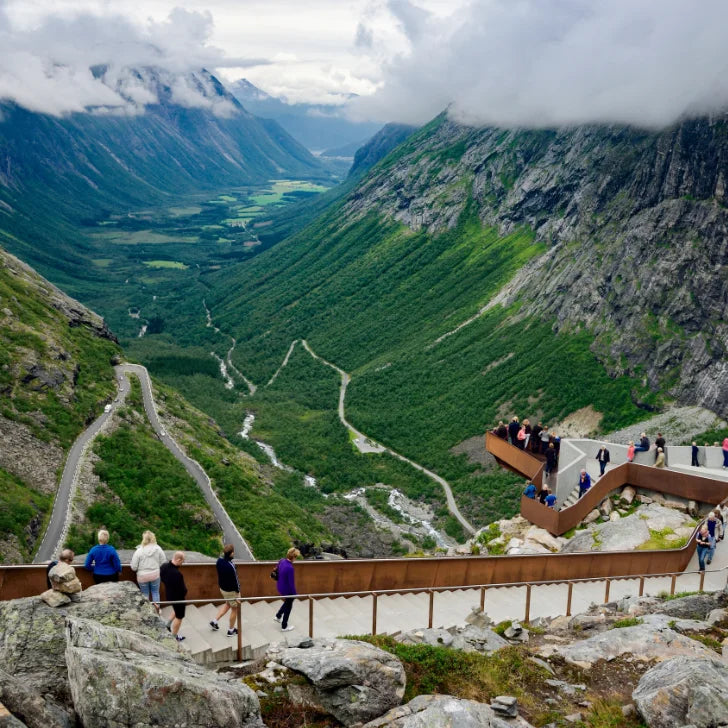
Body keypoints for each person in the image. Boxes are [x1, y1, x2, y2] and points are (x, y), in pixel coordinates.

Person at [130, 530, 166, 612]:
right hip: (155, 575)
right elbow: (163, 562)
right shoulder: (158, 549)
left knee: (145, 594)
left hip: (142, 576)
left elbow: (134, 567)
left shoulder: (139, 551)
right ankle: (157, 611)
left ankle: (147, 612)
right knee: (155, 592)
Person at [210, 544, 240, 637]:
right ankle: (231, 630)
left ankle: (214, 621)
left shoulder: (219, 561)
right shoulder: (231, 566)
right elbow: (236, 580)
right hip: (230, 591)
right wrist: (238, 593)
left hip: (222, 588)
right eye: (233, 552)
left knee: (227, 604)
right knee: (235, 609)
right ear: (231, 554)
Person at [160, 551, 187, 641]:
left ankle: (167, 624)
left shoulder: (163, 566)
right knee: (179, 617)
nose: (182, 563)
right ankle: (174, 636)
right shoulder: (177, 574)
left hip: (169, 594)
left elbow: (162, 578)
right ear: (178, 560)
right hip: (178, 598)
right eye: (182, 561)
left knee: (176, 609)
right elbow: (183, 590)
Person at [274, 547, 300, 632]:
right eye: (296, 557)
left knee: (287, 602)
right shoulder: (290, 568)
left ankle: (278, 615)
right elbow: (291, 583)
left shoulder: (282, 560)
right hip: (287, 590)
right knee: (289, 606)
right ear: (294, 557)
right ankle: (284, 626)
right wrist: (294, 594)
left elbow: (276, 569)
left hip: (280, 586)